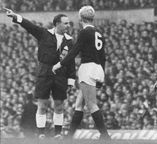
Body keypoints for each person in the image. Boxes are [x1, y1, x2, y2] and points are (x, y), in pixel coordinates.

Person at [5, 8, 76, 139]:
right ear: (57, 24)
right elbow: (29, 26)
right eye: (65, 23)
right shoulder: (44, 34)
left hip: (61, 74)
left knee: (59, 105)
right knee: (42, 104)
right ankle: (41, 133)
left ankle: (58, 134)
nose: (68, 25)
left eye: (68, 23)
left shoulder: (69, 40)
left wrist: (71, 80)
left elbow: (71, 62)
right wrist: (16, 17)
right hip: (45, 71)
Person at [52, 5, 110, 139]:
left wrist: (59, 64)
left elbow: (74, 51)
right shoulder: (99, 33)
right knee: (79, 104)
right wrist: (102, 74)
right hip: (98, 68)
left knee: (91, 104)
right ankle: (69, 137)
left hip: (88, 68)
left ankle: (105, 136)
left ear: (81, 18)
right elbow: (103, 57)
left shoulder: (84, 32)